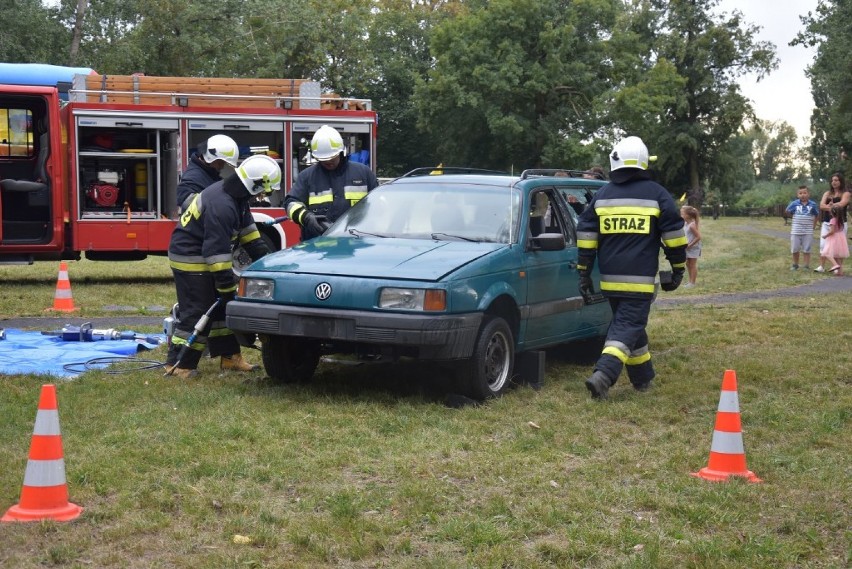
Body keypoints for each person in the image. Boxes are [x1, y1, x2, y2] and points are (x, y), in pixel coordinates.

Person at [576, 136, 687, 399]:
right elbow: (674, 236)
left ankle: (643, 378)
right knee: (627, 327)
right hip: (639, 281)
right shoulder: (657, 194)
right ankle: (603, 375)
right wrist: (678, 268)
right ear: (643, 162)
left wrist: (583, 270)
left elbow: (586, 233)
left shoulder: (603, 195)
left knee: (630, 326)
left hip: (610, 281)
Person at [165, 154, 279, 379]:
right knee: (197, 312)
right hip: (190, 258)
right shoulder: (222, 204)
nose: (263, 195)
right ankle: (178, 364)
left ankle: (229, 357)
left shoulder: (237, 198)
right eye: (263, 190)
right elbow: (216, 254)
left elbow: (251, 237)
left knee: (223, 310)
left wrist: (271, 264)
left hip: (204, 254)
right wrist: (227, 287)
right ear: (255, 184)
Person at [285, 125, 378, 240]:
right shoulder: (307, 177)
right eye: (324, 160)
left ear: (340, 152)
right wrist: (306, 217)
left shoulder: (364, 174)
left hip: (355, 246)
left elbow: (378, 207)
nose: (328, 162)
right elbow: (291, 203)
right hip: (317, 249)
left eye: (332, 158)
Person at [176, 134, 240, 213]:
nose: (222, 167)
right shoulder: (193, 177)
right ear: (209, 158)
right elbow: (186, 202)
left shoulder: (208, 175)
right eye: (220, 163)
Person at [814, 172, 850, 273]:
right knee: (823, 245)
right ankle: (821, 266)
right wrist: (833, 206)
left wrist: (830, 205)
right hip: (827, 222)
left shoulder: (845, 193)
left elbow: (842, 204)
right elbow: (821, 206)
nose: (833, 182)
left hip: (840, 223)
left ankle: (838, 268)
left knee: (839, 246)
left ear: (841, 181)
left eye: (836, 180)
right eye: (832, 180)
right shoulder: (827, 193)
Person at [784, 185, 819, 270]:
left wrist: (813, 226)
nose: (802, 195)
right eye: (800, 193)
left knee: (807, 249)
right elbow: (787, 211)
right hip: (796, 230)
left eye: (804, 193)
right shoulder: (794, 203)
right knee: (795, 248)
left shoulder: (813, 204)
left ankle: (806, 265)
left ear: (808, 194)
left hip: (808, 231)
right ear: (797, 195)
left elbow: (816, 215)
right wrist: (794, 217)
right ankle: (795, 264)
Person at [822, 206, 849, 275]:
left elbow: (832, 231)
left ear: (831, 212)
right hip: (840, 237)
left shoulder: (833, 220)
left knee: (827, 253)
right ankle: (840, 272)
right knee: (837, 256)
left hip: (834, 238)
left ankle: (835, 265)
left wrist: (825, 236)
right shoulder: (841, 219)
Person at [680, 205, 702, 286]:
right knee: (688, 264)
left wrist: (690, 245)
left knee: (692, 265)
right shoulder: (685, 223)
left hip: (693, 247)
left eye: (682, 214)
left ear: (688, 216)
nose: (681, 215)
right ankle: (690, 281)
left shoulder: (692, 225)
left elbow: (699, 237)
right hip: (688, 246)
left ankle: (692, 282)